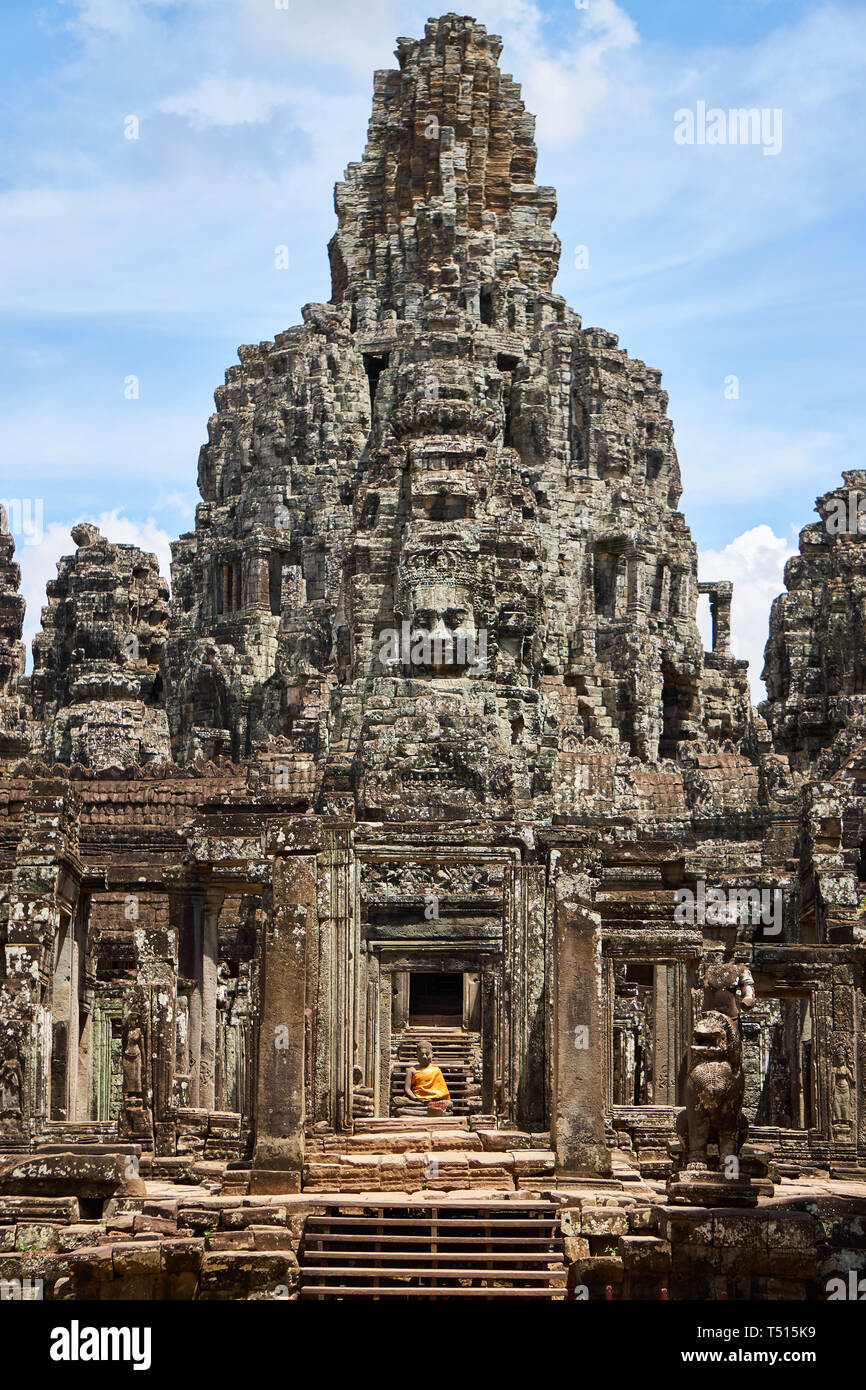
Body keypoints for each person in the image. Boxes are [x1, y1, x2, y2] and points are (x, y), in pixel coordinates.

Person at [404, 1039, 450, 1109]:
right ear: (417, 1055)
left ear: (432, 1054)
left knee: (447, 1104)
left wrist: (434, 1099)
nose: (424, 1057)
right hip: (417, 1101)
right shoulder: (411, 1070)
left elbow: (442, 1092)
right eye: (422, 1054)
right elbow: (407, 1089)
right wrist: (415, 1099)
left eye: (427, 1054)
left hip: (434, 1101)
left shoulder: (436, 1070)